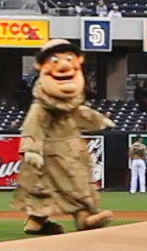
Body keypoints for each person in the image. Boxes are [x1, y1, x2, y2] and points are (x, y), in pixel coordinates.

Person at [12, 39, 113, 236]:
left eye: (69, 59)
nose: (65, 65)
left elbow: (80, 113)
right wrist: (31, 149)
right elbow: (33, 127)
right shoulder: (41, 106)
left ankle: (37, 222)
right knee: (73, 184)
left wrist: (98, 119)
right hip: (54, 151)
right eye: (56, 60)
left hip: (70, 149)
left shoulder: (70, 105)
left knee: (51, 188)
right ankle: (83, 217)